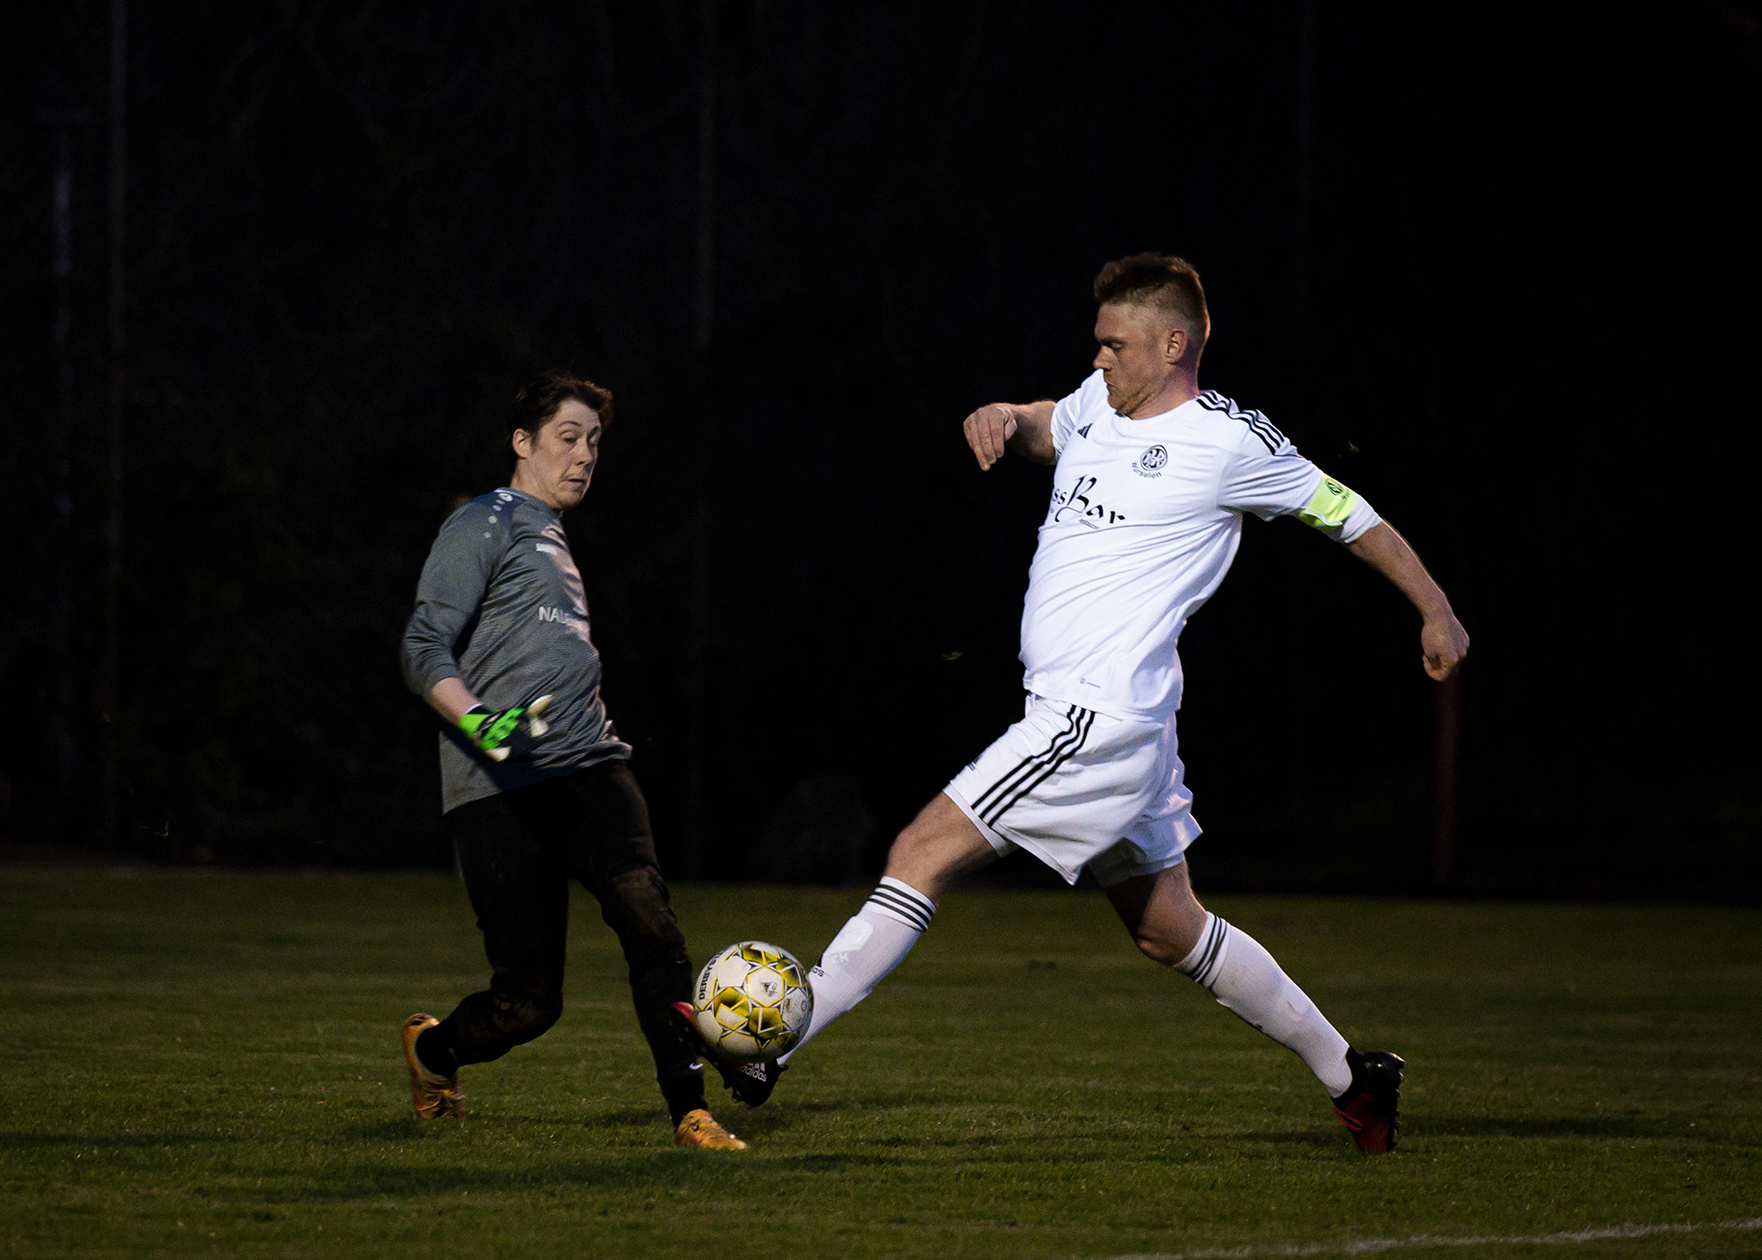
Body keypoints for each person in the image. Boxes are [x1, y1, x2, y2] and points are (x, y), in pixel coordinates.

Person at [687, 254, 1469, 1155]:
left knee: (919, 851)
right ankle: (1355, 1079)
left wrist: (1435, 609)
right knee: (1170, 930)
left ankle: (774, 1047)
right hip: (1123, 725)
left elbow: (1348, 512)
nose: (1098, 358)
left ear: (1172, 345)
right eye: (1096, 343)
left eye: (1114, 344)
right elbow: (1044, 424)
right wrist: (1005, 415)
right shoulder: (1101, 402)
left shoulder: (1230, 443)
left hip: (1093, 720)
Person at [398, 371, 747, 1152]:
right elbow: (422, 648)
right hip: (499, 783)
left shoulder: (555, 539)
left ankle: (690, 1110)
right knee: (528, 1004)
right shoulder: (485, 522)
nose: (586, 454)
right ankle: (434, 1052)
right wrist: (481, 721)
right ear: (522, 442)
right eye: (568, 437)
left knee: (651, 924)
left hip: (590, 763)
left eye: (594, 441)